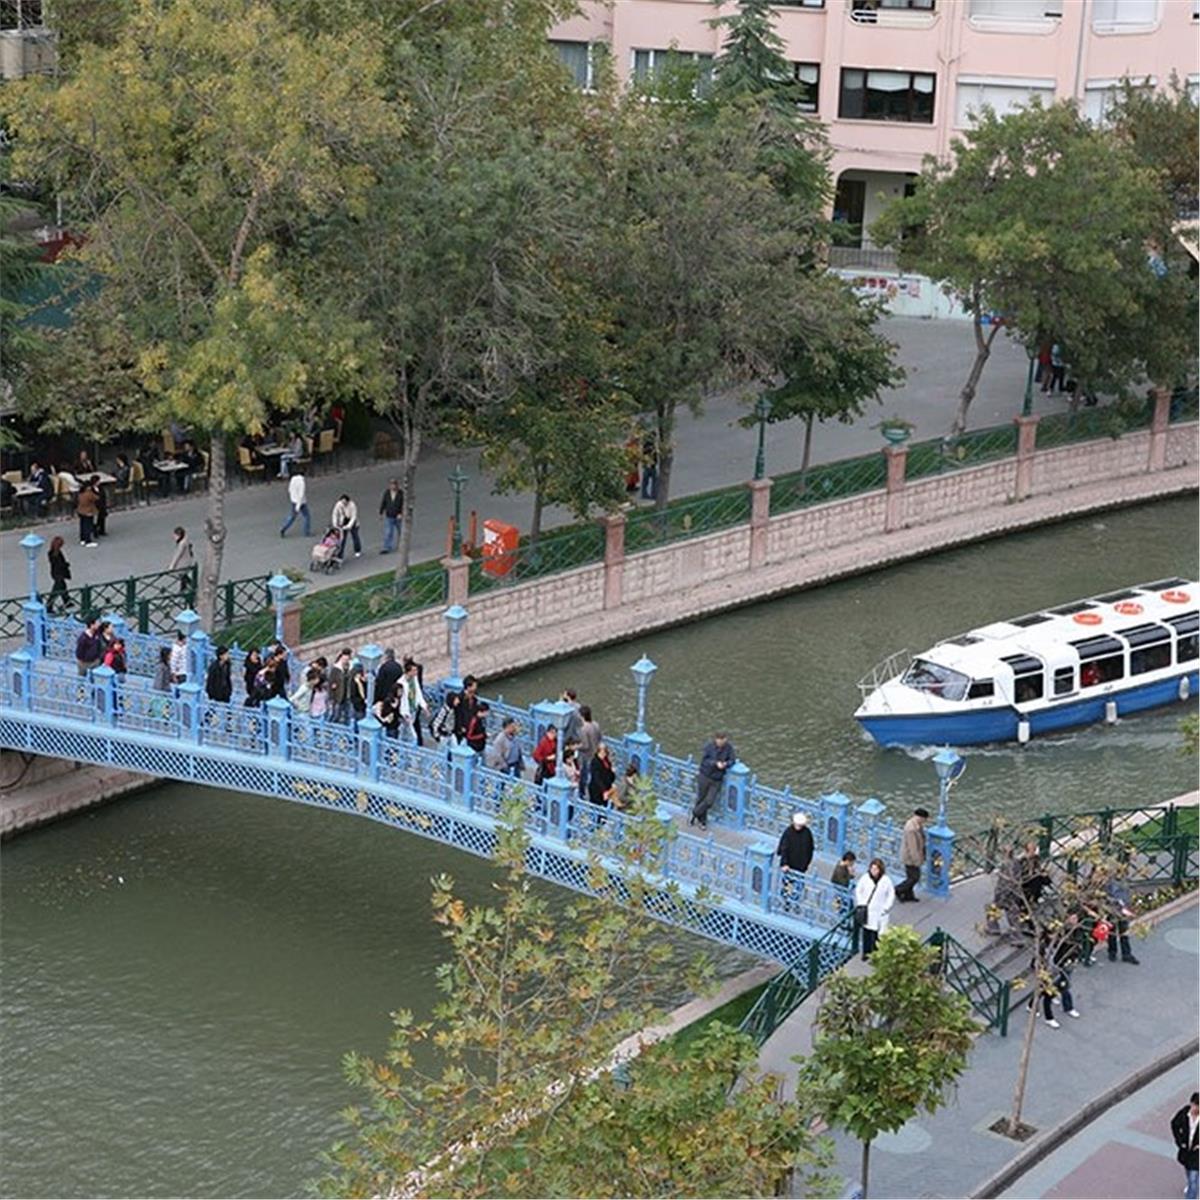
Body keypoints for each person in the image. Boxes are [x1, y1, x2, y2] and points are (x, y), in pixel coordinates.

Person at [1029, 918, 1081, 1028]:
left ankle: (1068, 1007)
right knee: (1046, 995)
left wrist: (1071, 960)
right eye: (1052, 934)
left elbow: (1071, 950)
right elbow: (1037, 959)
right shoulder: (1043, 945)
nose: (1054, 936)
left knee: (1064, 988)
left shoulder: (1061, 942)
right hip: (1047, 971)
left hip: (1059, 968)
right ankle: (1048, 1017)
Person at [691, 732, 735, 830]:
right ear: (716, 739)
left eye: (723, 739)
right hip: (705, 775)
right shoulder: (709, 747)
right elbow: (705, 761)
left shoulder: (729, 748)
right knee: (701, 798)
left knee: (709, 801)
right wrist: (715, 763)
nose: (721, 741)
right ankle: (702, 821)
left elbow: (732, 760)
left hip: (717, 778)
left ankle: (695, 812)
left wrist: (726, 764)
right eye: (719, 739)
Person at [854, 858, 895, 961]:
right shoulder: (865, 878)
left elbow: (891, 894)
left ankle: (876, 954)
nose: (873, 871)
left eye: (876, 869)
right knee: (866, 932)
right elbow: (859, 889)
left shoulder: (886, 880)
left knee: (877, 934)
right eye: (872, 869)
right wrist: (861, 902)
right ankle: (866, 953)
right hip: (867, 910)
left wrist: (887, 907)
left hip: (879, 911)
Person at [1103, 874, 1140, 965]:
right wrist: (1117, 902)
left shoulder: (1125, 880)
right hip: (1113, 910)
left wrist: (1128, 907)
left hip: (1123, 910)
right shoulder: (1110, 882)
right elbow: (1106, 896)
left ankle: (1125, 954)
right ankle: (1113, 952)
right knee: (1112, 932)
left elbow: (1129, 894)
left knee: (1124, 933)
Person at [895, 807, 929, 903]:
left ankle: (908, 895)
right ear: (921, 817)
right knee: (914, 877)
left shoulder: (916, 825)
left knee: (911, 876)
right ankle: (899, 889)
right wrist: (917, 860)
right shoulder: (912, 829)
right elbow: (912, 847)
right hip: (910, 857)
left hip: (912, 855)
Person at [1171, 1092, 1199, 1200]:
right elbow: (1174, 1124)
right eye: (1196, 1105)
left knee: (1193, 1177)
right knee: (1188, 1171)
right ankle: (1192, 1185)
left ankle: (1191, 1195)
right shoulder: (1184, 1114)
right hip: (1186, 1151)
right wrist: (1179, 1141)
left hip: (1197, 1153)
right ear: (1192, 1104)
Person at [398, 657, 428, 743]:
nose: (416, 672)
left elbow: (418, 692)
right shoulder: (401, 683)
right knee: (412, 736)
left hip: (413, 710)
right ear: (409, 671)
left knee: (404, 733)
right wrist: (405, 713)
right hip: (406, 714)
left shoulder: (414, 679)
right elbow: (402, 700)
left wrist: (423, 705)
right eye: (414, 670)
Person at [575, 705, 601, 799]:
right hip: (596, 754)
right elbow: (599, 738)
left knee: (584, 776)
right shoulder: (596, 724)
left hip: (586, 756)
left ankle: (582, 794)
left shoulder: (583, 728)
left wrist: (575, 747)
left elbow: (585, 745)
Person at [280, 469, 311, 538]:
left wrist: (293, 499)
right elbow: (301, 494)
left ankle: (284, 528)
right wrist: (299, 504)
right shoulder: (302, 482)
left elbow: (289, 490)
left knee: (292, 517)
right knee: (307, 516)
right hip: (301, 502)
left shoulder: (293, 479)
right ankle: (306, 531)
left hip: (294, 500)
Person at [46, 536, 73, 615]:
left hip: (56, 573)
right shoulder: (55, 554)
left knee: (63, 587)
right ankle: (49, 605)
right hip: (59, 574)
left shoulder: (52, 552)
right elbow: (59, 564)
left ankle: (67, 601)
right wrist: (66, 565)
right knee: (56, 590)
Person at [331, 493, 362, 559]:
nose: (344, 504)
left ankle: (357, 550)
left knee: (355, 536)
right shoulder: (338, 504)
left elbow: (353, 517)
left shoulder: (352, 505)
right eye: (343, 502)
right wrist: (335, 524)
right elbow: (335, 514)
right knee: (342, 539)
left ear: (348, 501)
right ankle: (340, 555)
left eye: (345, 503)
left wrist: (348, 526)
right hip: (343, 520)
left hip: (351, 520)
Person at [327, 649, 352, 724]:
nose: (346, 661)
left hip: (347, 695)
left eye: (347, 659)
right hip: (338, 696)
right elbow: (331, 683)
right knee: (336, 714)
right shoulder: (336, 669)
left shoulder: (349, 667)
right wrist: (331, 696)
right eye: (344, 659)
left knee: (348, 715)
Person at [379, 479, 404, 554]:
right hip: (389, 515)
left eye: (394, 484)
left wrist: (401, 513)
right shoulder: (387, 493)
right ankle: (386, 547)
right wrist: (381, 512)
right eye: (391, 485)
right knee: (388, 532)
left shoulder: (401, 493)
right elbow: (383, 502)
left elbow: (403, 504)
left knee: (401, 531)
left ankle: (402, 545)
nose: (393, 486)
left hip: (398, 516)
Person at [168, 527, 195, 595]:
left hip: (183, 563)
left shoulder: (181, 544)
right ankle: (187, 588)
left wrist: (172, 566)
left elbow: (178, 555)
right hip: (188, 562)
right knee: (184, 576)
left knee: (182, 575)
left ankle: (186, 588)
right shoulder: (186, 541)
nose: (174, 537)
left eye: (175, 535)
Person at [454, 675, 480, 744]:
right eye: (474, 686)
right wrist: (460, 727)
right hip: (462, 727)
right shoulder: (460, 698)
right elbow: (458, 714)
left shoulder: (474, 698)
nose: (476, 687)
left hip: (470, 726)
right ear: (468, 687)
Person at [76, 480, 99, 547]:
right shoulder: (89, 493)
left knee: (82, 525)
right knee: (88, 526)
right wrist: (96, 491)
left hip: (81, 510)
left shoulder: (80, 493)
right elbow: (96, 498)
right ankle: (88, 541)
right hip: (88, 511)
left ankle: (82, 539)